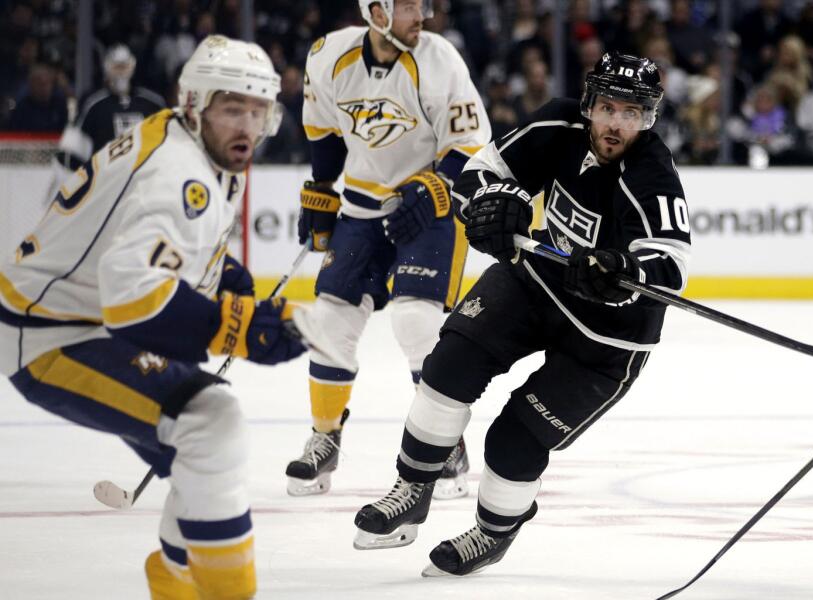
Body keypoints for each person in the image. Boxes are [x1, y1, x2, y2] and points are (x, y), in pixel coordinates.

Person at [351, 52, 690, 576]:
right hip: (537, 282)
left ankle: (492, 533)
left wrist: (623, 271)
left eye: (631, 112)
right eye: (607, 108)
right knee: (448, 367)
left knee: (514, 439)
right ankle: (415, 486)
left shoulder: (652, 175)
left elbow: (669, 268)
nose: (616, 123)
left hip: (606, 338)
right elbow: (480, 173)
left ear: (648, 119)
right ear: (588, 105)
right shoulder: (558, 124)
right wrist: (492, 203)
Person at [0, 36, 306, 598]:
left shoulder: (193, 141)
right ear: (195, 104)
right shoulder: (179, 175)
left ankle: (175, 580)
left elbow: (176, 250)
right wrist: (235, 328)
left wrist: (229, 283)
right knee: (210, 426)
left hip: (73, 311)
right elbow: (133, 298)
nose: (247, 126)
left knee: (206, 436)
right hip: (48, 333)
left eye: (258, 111)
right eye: (232, 108)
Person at [288, 0, 491, 499]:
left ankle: (444, 445)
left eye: (423, 5)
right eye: (407, 6)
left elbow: (469, 144)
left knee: (416, 323)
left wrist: (437, 186)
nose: (420, 14)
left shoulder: (439, 58)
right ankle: (324, 438)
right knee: (330, 319)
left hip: (428, 208)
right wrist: (321, 187)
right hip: (361, 207)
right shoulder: (329, 56)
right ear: (375, 11)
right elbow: (325, 131)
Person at [55, 44, 165, 174]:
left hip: (144, 179)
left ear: (132, 66)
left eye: (124, 67)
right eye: (116, 67)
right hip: (107, 182)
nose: (120, 73)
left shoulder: (152, 103)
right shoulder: (93, 104)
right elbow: (72, 153)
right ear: (107, 67)